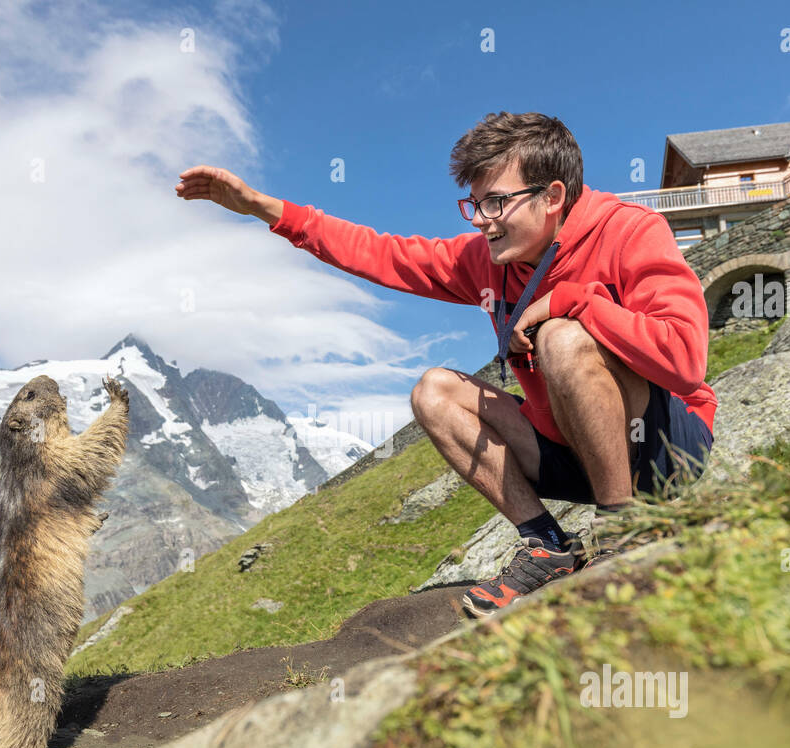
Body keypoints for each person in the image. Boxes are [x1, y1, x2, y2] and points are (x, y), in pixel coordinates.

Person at [175, 111, 716, 618]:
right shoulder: (482, 261)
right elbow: (381, 253)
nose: (482, 221)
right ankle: (548, 547)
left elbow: (686, 359)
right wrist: (264, 208)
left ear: (553, 196)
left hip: (665, 447)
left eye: (496, 203)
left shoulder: (630, 230)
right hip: (574, 450)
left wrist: (573, 302)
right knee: (433, 390)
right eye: (474, 204)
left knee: (562, 340)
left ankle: (625, 534)